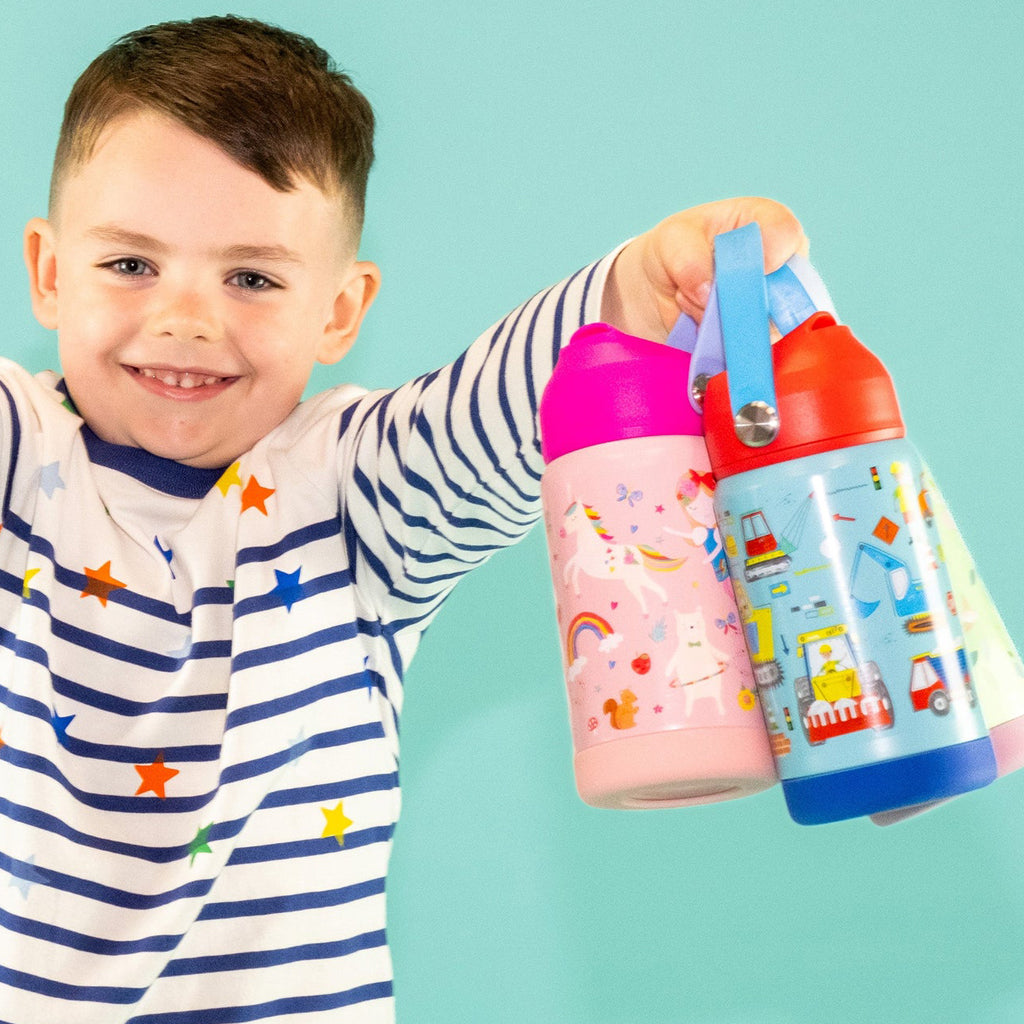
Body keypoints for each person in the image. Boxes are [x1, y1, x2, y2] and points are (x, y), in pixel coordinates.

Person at [0, 14, 807, 1023]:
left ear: (340, 311)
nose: (186, 320)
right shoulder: (20, 448)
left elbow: (489, 418)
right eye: (131, 264)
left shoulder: (348, 493)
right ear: (49, 274)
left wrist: (640, 291)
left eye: (251, 278)